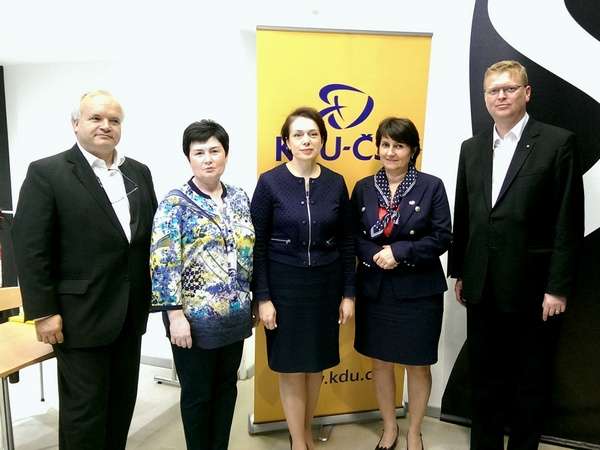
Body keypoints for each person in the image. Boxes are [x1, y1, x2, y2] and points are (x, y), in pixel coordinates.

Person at [11, 90, 158, 449]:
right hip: (79, 316)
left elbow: (145, 240)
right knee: (85, 414)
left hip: (129, 313)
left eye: (114, 120)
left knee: (120, 407)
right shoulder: (47, 173)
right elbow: (30, 248)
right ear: (75, 124)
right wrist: (44, 311)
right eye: (96, 118)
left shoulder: (138, 172)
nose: (106, 126)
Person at [448, 60, 584, 450]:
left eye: (509, 88)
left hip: (533, 289)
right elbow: (466, 214)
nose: (501, 96)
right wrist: (461, 272)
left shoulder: (557, 143)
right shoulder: (472, 148)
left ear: (527, 92)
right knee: (484, 380)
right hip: (482, 285)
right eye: (494, 90)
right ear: (485, 98)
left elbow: (568, 221)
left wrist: (557, 287)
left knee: (529, 382)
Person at [251, 106, 355, 450]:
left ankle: (306, 432)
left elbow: (347, 241)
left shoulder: (335, 183)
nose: (306, 140)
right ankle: (298, 441)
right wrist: (263, 298)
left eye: (313, 134)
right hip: (284, 287)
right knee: (292, 368)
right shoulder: (270, 183)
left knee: (315, 366)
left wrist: (348, 293)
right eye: (298, 134)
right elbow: (257, 245)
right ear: (287, 142)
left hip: (325, 287)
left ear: (323, 139)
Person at [150, 120, 255, 450]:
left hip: (235, 316)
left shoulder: (239, 197)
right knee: (198, 396)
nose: (208, 159)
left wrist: (252, 301)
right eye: (199, 153)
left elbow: (249, 251)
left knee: (226, 388)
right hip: (192, 321)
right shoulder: (174, 203)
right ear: (189, 158)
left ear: (226, 154)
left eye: (214, 151)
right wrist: (175, 316)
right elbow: (163, 262)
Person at [352, 117, 451, 450]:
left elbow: (442, 236)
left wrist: (399, 251)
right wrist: (375, 254)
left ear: (412, 150)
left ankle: (414, 431)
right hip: (376, 289)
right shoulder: (364, 188)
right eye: (385, 144)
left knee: (417, 365)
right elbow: (353, 236)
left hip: (418, 290)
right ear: (377, 148)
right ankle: (390, 426)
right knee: (380, 363)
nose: (391, 152)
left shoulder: (431, 186)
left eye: (399, 145)